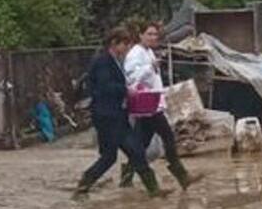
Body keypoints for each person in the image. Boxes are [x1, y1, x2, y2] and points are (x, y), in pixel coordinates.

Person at [73, 27, 165, 199]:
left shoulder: (114, 61)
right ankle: (84, 184)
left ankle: (154, 190)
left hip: (117, 116)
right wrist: (126, 90)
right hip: (107, 117)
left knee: (136, 152)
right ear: (114, 43)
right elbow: (105, 87)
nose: (127, 49)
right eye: (125, 44)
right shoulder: (103, 62)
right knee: (110, 156)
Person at [120, 22, 201, 191]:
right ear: (140, 35)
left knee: (142, 144)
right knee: (168, 138)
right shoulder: (136, 54)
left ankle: (127, 173)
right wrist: (150, 67)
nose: (153, 37)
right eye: (149, 34)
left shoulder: (148, 52)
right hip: (146, 105)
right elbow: (131, 76)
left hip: (152, 104)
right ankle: (182, 176)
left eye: (155, 34)